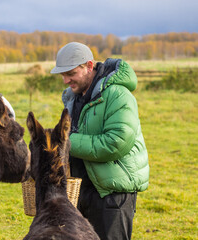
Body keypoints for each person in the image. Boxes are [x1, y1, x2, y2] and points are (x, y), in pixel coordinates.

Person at [50, 42, 149, 240]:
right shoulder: (73, 98)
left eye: (70, 73)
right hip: (80, 190)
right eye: (62, 74)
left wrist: (67, 143)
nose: (65, 80)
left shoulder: (118, 95)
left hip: (111, 194)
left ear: (88, 65)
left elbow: (116, 142)